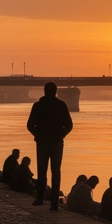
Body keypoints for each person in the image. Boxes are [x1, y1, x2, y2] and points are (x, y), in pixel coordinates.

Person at [26, 82, 73, 211]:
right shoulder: (61, 105)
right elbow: (69, 125)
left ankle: (40, 199)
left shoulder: (37, 106)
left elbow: (30, 125)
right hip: (56, 143)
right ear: (56, 91)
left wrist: (37, 135)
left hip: (42, 143)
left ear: (44, 91)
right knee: (56, 172)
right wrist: (61, 135)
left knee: (42, 171)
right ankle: (54, 204)